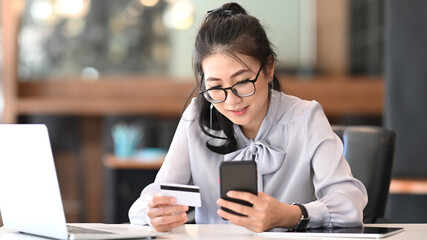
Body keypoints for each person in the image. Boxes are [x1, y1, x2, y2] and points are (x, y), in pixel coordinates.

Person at [129, 2, 367, 233]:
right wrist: (154, 212)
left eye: (242, 82)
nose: (231, 101)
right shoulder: (195, 118)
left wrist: (290, 215)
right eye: (215, 87)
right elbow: (146, 203)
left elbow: (349, 205)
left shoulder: (305, 117)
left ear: (269, 68)